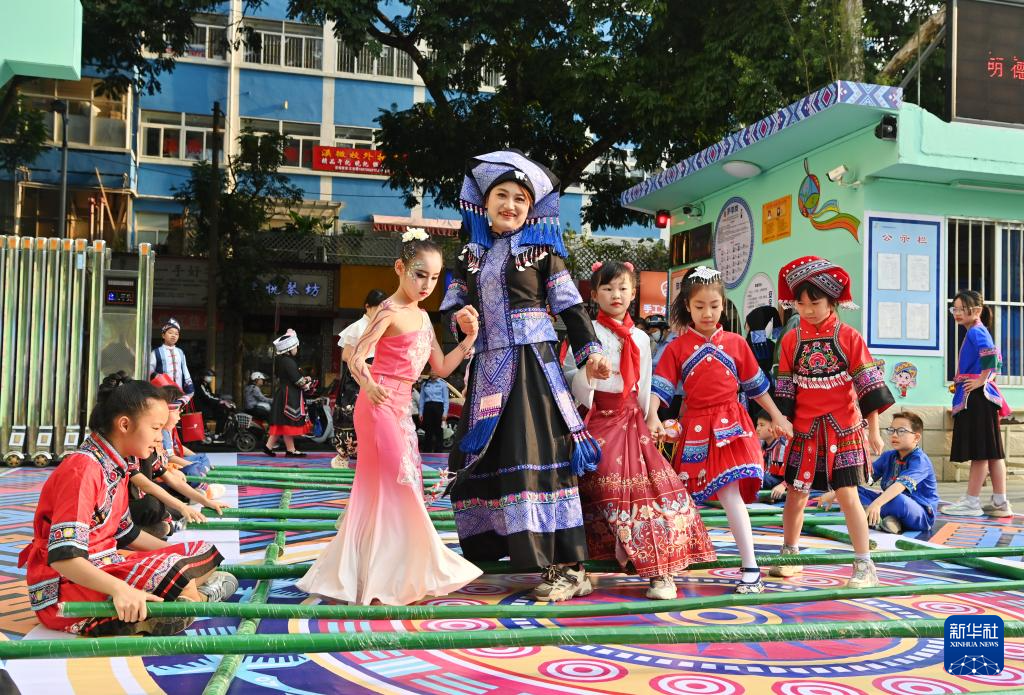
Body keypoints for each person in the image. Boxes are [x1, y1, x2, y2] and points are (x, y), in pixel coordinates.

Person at [441, 150, 611, 602]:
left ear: (532, 208)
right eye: (502, 195)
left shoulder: (543, 253)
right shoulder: (469, 256)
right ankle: (509, 554)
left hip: (532, 369)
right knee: (484, 458)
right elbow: (451, 308)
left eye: (521, 198)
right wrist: (460, 320)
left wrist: (591, 352)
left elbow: (571, 308)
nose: (511, 204)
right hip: (486, 372)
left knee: (535, 455)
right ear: (484, 202)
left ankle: (569, 567)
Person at [297, 231, 482, 605]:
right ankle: (388, 576)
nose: (426, 285)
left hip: (401, 409)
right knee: (401, 485)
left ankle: (382, 575)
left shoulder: (423, 318)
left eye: (434, 277)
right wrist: (369, 384)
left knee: (389, 489)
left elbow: (441, 368)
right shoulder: (388, 311)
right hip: (378, 406)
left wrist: (468, 339)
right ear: (400, 268)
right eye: (419, 274)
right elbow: (356, 357)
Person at [18, 373, 236, 637]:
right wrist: (120, 589)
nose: (159, 437)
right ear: (124, 424)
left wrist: (177, 555)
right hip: (67, 585)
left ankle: (180, 602)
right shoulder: (83, 468)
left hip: (105, 563)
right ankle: (189, 600)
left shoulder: (115, 464)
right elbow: (65, 558)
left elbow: (126, 533)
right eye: (155, 428)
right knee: (180, 574)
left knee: (197, 553)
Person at [567, 261, 716, 600]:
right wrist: (588, 375)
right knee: (600, 486)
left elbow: (645, 383)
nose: (615, 295)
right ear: (594, 295)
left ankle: (660, 570)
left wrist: (651, 418)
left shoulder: (641, 338)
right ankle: (581, 567)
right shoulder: (586, 333)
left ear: (633, 293)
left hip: (633, 420)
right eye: (607, 288)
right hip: (597, 419)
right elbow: (569, 378)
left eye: (622, 288)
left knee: (661, 490)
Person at [653, 266, 792, 594]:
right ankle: (668, 568)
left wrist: (778, 417)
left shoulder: (736, 343)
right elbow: (661, 388)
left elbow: (757, 388)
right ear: (688, 306)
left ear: (723, 306)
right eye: (699, 306)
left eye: (714, 306)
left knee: (730, 495)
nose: (707, 313)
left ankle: (751, 568)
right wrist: (651, 418)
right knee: (683, 500)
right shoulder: (675, 348)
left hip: (731, 425)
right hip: (695, 429)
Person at [771, 255, 895, 588]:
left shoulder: (849, 337)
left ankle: (864, 564)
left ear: (832, 301)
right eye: (801, 304)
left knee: (847, 494)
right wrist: (780, 421)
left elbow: (868, 386)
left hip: (844, 427)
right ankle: (790, 554)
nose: (808, 310)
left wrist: (874, 431)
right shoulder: (791, 340)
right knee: (796, 494)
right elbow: (785, 386)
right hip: (804, 429)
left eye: (815, 303)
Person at [942, 290, 1014, 517]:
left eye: (962, 309)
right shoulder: (977, 331)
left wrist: (981, 380)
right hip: (984, 398)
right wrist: (984, 379)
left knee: (981, 453)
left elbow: (991, 356)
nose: (957, 313)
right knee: (992, 453)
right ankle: (1000, 502)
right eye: (955, 309)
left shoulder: (976, 331)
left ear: (977, 310)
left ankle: (972, 501)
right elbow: (996, 361)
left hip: (977, 398)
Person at [822, 411, 939, 535]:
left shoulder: (920, 460)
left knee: (899, 499)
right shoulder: (888, 456)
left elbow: (899, 486)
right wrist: (836, 492)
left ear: (916, 437)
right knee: (853, 491)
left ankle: (869, 514)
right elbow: (863, 476)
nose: (894, 435)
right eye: (891, 430)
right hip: (888, 504)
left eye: (901, 431)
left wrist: (877, 504)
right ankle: (888, 521)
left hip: (919, 514)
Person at [265, 329, 312, 457]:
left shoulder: (282, 360)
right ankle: (289, 450)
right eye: (295, 346)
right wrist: (307, 381)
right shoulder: (288, 361)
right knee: (287, 422)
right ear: (289, 348)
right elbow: (297, 379)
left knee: (283, 422)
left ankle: (271, 447)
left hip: (284, 392)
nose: (297, 349)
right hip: (289, 395)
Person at [149, 318, 194, 406]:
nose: (174, 336)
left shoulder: (180, 352)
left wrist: (189, 387)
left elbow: (185, 370)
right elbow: (149, 370)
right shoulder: (156, 352)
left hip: (179, 392)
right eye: (170, 333)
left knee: (176, 412)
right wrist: (157, 376)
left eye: (176, 334)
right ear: (163, 335)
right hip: (161, 392)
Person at [339, 288, 389, 366]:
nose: (379, 313)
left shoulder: (385, 327)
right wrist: (366, 366)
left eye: (382, 310)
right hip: (362, 368)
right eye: (377, 309)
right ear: (367, 306)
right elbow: (346, 356)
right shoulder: (356, 327)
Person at [756, 410, 788, 502]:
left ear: (774, 427)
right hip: (768, 481)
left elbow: (796, 473)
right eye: (757, 425)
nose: (757, 428)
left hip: (785, 485)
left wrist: (783, 486)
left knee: (760, 477)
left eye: (762, 425)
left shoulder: (784, 445)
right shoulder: (760, 444)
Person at [194, 369, 234, 441]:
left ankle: (219, 433)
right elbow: (207, 397)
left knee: (224, 411)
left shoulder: (206, 385)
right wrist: (220, 401)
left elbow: (211, 395)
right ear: (203, 376)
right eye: (209, 376)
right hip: (202, 408)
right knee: (222, 413)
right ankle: (217, 435)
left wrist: (222, 399)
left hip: (207, 406)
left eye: (211, 376)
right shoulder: (200, 385)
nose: (210, 378)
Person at [418, 372, 450, 453]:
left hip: (438, 407)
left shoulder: (443, 384)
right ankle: (427, 451)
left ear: (438, 372)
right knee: (428, 431)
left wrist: (445, 413)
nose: (433, 373)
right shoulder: (425, 384)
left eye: (435, 371)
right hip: (427, 408)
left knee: (439, 431)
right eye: (431, 371)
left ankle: (438, 451)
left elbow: (446, 400)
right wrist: (420, 412)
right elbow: (421, 399)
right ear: (429, 373)